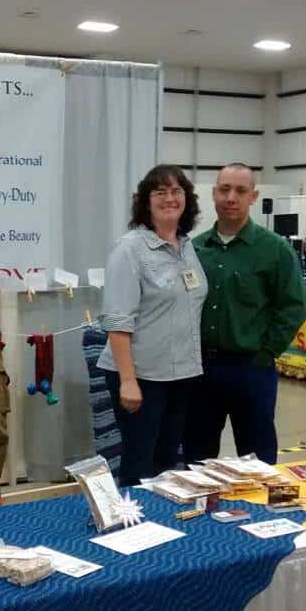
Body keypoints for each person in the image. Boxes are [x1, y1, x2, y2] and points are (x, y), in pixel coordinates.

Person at [183, 162, 306, 465]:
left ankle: (263, 513)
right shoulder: (193, 250)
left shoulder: (275, 250)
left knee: (257, 460)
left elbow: (293, 308)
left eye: (240, 190)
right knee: (197, 457)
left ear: (253, 196)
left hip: (252, 369)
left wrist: (265, 354)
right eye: (224, 189)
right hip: (200, 371)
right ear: (213, 194)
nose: (231, 197)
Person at [97, 164, 207, 487]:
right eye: (160, 192)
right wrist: (128, 382)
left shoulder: (187, 247)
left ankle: (161, 528)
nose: (169, 198)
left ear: (186, 199)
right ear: (146, 202)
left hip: (181, 374)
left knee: (166, 463)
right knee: (139, 463)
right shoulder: (130, 249)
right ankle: (133, 532)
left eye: (176, 191)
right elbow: (118, 321)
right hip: (141, 376)